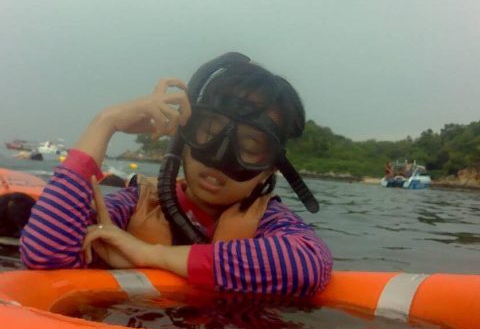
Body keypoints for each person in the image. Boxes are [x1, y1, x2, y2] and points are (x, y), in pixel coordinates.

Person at [20, 53, 332, 297]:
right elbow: (45, 252)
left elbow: (308, 264)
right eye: (209, 131)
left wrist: (149, 254)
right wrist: (106, 122)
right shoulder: (135, 205)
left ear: (270, 168)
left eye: (249, 147)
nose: (219, 157)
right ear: (185, 132)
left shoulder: (269, 223)